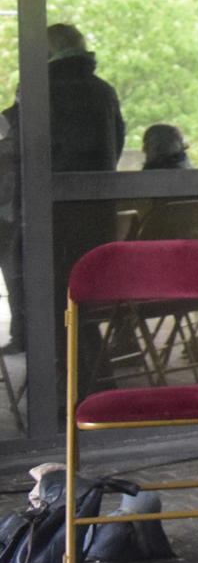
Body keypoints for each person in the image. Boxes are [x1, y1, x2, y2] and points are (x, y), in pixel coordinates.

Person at [0, 23, 125, 359]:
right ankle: (91, 374)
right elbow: (116, 144)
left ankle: (68, 387)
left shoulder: (39, 90)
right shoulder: (103, 90)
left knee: (49, 301)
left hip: (49, 218)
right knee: (81, 301)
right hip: (97, 215)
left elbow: (19, 149)